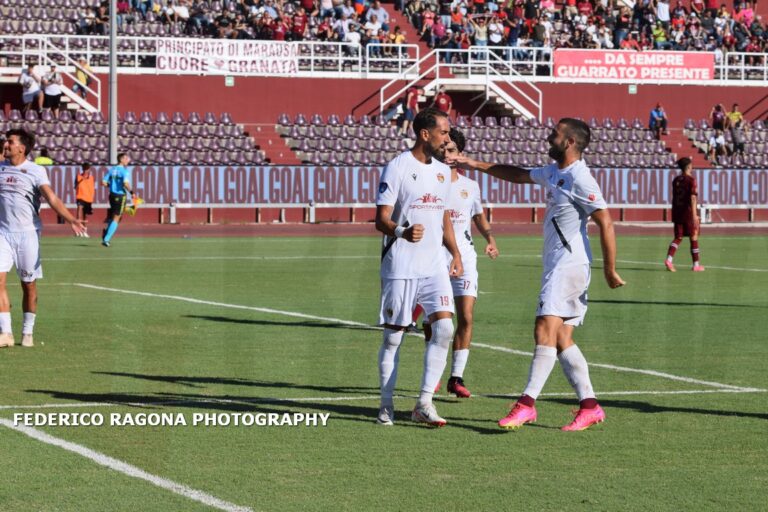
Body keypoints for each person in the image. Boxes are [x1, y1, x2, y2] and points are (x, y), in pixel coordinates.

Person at [447, 118, 626, 431]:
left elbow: (606, 222)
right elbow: (517, 175)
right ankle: (591, 406)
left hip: (569, 265)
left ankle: (526, 404)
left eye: (555, 134)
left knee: (544, 328)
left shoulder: (580, 178)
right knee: (561, 338)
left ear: (569, 142)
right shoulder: (556, 171)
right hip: (561, 265)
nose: (549, 136)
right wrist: (471, 163)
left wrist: (610, 269)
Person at [375, 108, 463, 427]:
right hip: (401, 265)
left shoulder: (442, 173)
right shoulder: (397, 167)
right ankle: (385, 406)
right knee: (393, 339)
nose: (447, 138)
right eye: (443, 132)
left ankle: (423, 402)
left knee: (444, 328)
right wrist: (401, 231)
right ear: (425, 134)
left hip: (434, 267)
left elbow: (443, 216)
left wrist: (455, 254)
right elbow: (381, 219)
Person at [423, 127, 499, 398]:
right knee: (437, 323)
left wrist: (489, 238)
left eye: (452, 150)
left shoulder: (470, 186)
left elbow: (478, 216)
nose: (447, 154)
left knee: (465, 317)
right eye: (443, 149)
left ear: (460, 154)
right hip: (435, 258)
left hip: (465, 257)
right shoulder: (428, 182)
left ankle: (456, 378)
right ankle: (432, 375)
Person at [0, 128, 85, 348]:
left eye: (10, 141)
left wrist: (71, 219)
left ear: (22, 147)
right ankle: (6, 333)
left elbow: (51, 197)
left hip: (28, 235)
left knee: (28, 284)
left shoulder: (35, 171)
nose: (6, 144)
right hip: (2, 234)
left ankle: (27, 332)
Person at [665, 157, 704, 272]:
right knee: (694, 236)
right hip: (687, 213)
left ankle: (669, 260)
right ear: (688, 166)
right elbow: (692, 198)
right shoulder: (691, 180)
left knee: (678, 238)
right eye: (691, 165)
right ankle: (696, 265)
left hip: (677, 212)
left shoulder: (676, 180)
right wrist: (694, 215)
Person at [101, 153, 135, 247]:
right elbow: (126, 184)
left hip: (112, 195)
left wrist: (111, 186)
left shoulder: (112, 169)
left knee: (115, 215)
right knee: (117, 218)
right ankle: (106, 239)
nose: (128, 160)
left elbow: (103, 182)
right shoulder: (124, 171)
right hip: (120, 196)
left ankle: (107, 231)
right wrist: (132, 193)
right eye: (126, 158)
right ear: (121, 159)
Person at [75, 163, 96, 238]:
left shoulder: (92, 177)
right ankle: (78, 230)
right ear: (83, 169)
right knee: (79, 211)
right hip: (80, 196)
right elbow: (75, 186)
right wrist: (82, 179)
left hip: (88, 199)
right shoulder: (78, 176)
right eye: (85, 169)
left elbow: (92, 188)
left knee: (85, 215)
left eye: (88, 169)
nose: (87, 171)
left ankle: (84, 231)